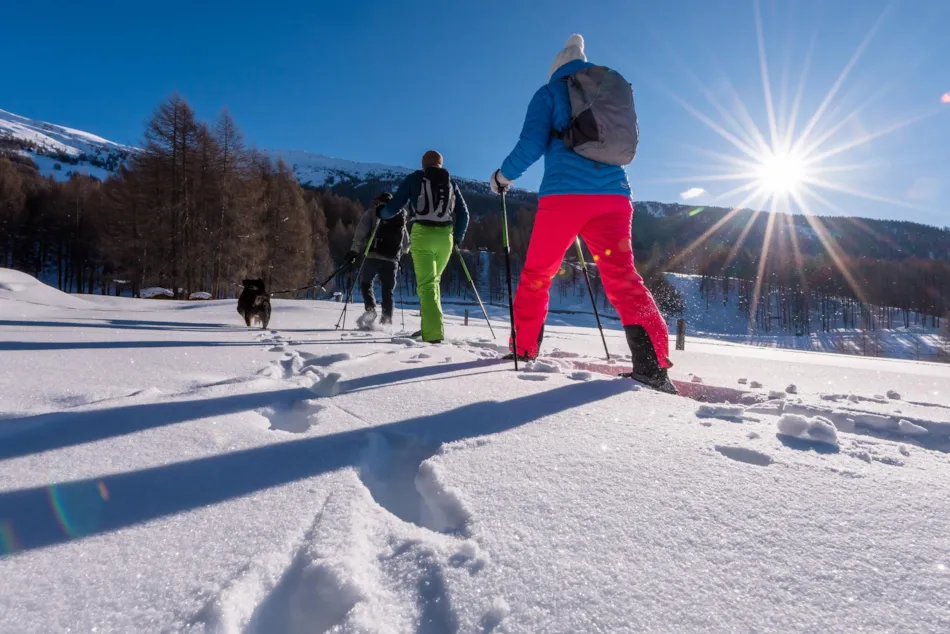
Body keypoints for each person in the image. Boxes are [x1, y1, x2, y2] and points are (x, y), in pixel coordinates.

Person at [489, 34, 676, 393]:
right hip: (615, 198)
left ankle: (525, 350)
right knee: (623, 278)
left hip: (565, 197)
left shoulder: (550, 92)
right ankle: (653, 368)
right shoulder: (606, 91)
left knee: (538, 275)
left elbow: (529, 145)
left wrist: (503, 177)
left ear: (555, 67)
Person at [378, 150, 469, 343]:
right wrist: (457, 238)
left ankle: (433, 335)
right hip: (446, 237)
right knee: (433, 283)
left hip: (423, 234)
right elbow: (464, 215)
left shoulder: (415, 179)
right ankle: (430, 326)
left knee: (427, 285)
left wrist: (381, 213)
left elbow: (394, 207)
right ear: (440, 164)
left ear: (423, 164)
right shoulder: (451, 183)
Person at [345, 193, 409, 329]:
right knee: (388, 291)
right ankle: (386, 323)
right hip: (392, 260)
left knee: (366, 284)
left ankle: (371, 311)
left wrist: (354, 250)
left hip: (373, 255)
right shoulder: (400, 215)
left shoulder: (373, 213)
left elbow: (360, 233)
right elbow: (406, 245)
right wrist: (399, 253)